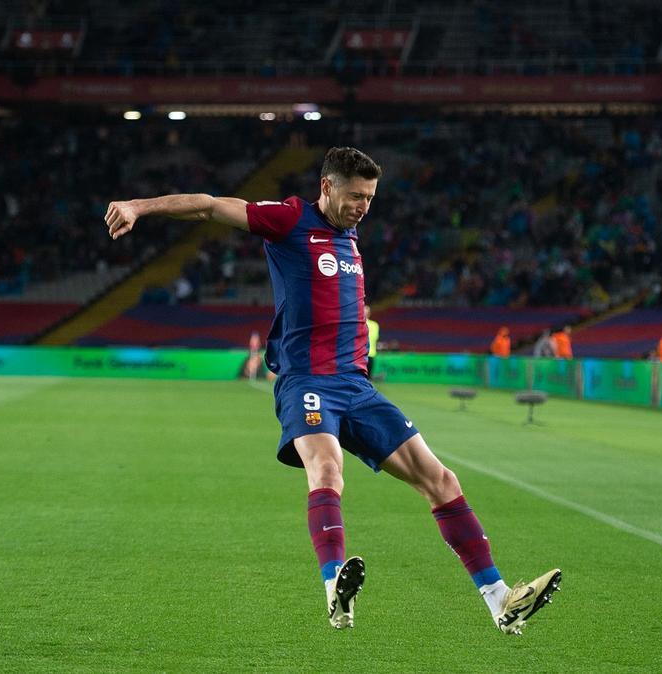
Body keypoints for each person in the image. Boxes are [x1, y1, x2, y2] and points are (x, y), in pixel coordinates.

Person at [106, 147, 560, 635]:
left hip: (356, 387)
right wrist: (138, 206)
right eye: (355, 195)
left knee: (442, 480)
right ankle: (334, 587)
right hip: (307, 382)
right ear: (326, 187)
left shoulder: (350, 235)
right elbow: (211, 205)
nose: (363, 205)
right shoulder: (288, 219)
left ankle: (500, 601)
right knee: (326, 465)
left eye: (369, 197)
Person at [364, 305, 380, 380]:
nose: (365, 313)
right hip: (358, 355)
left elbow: (373, 337)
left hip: (370, 353)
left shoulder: (374, 325)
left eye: (366, 312)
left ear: (369, 313)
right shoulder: (357, 324)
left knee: (368, 378)